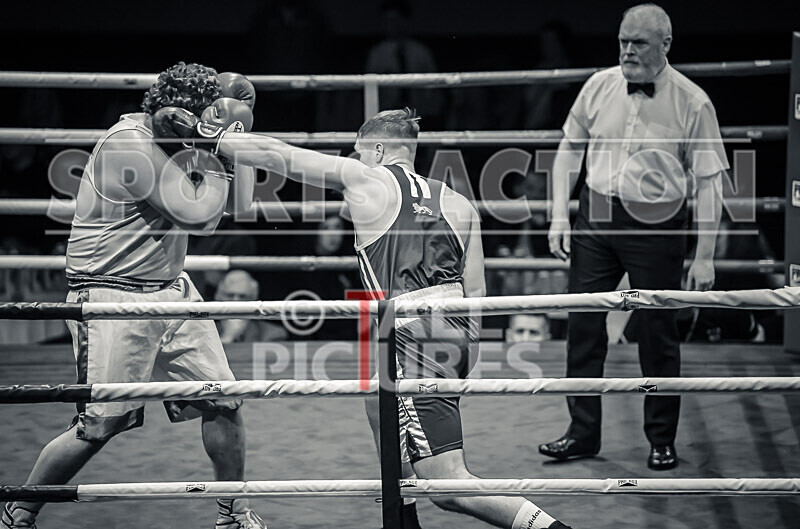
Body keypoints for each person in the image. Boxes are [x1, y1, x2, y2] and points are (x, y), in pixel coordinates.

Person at [154, 107, 573, 528]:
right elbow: (477, 291)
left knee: (448, 485)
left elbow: (279, 155)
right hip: (451, 325)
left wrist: (210, 134)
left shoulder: (367, 179)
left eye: (358, 152)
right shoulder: (459, 203)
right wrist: (464, 362)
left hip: (413, 331)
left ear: (378, 150)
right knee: (377, 399)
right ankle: (402, 518)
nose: (355, 160)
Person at [2, 62, 267, 529]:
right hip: (112, 298)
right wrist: (222, 150)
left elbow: (239, 207)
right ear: (183, 113)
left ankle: (233, 514)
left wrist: (235, 139)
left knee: (223, 400)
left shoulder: (179, 138)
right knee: (97, 428)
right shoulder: (131, 146)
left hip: (171, 291)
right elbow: (203, 219)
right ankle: (18, 512)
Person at [540, 4, 729, 471]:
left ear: (665, 44)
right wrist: (559, 215)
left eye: (639, 42)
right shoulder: (599, 85)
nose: (627, 50)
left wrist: (705, 255)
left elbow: (710, 182)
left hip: (658, 223)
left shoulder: (693, 102)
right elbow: (569, 149)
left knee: (656, 333)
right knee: (584, 327)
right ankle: (582, 432)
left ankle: (661, 439)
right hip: (597, 214)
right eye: (623, 41)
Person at [215, 270, 289, 343]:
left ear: (253, 299)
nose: (236, 301)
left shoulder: (273, 334)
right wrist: (228, 336)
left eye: (243, 297)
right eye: (230, 296)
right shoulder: (208, 331)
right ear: (218, 297)